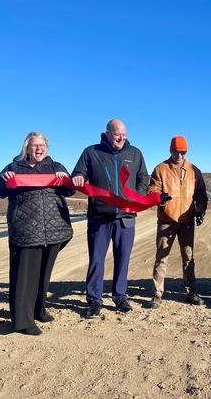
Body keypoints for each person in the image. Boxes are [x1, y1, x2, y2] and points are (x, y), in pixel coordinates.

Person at [0, 131, 74, 335]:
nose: (39, 149)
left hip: (53, 230)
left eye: (42, 145)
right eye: (35, 145)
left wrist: (66, 180)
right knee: (24, 277)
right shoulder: (14, 167)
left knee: (43, 274)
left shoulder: (56, 167)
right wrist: (4, 179)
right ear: (27, 148)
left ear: (47, 148)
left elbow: (70, 191)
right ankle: (22, 321)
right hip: (25, 230)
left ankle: (39, 310)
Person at [72, 119, 150, 318]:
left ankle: (120, 297)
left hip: (126, 217)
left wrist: (136, 196)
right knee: (97, 260)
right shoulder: (91, 152)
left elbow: (143, 178)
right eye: (117, 135)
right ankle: (94, 300)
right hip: (99, 217)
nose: (121, 138)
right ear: (107, 133)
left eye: (123, 135)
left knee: (123, 259)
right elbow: (78, 173)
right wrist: (79, 177)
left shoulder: (135, 154)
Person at [146, 136, 208, 309]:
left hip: (187, 221)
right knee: (161, 257)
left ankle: (191, 291)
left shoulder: (194, 170)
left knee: (188, 257)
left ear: (186, 152)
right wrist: (159, 198)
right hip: (167, 220)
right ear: (170, 150)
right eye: (175, 152)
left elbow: (202, 195)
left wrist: (200, 210)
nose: (179, 155)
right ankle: (157, 294)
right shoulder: (161, 169)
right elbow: (152, 189)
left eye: (182, 152)